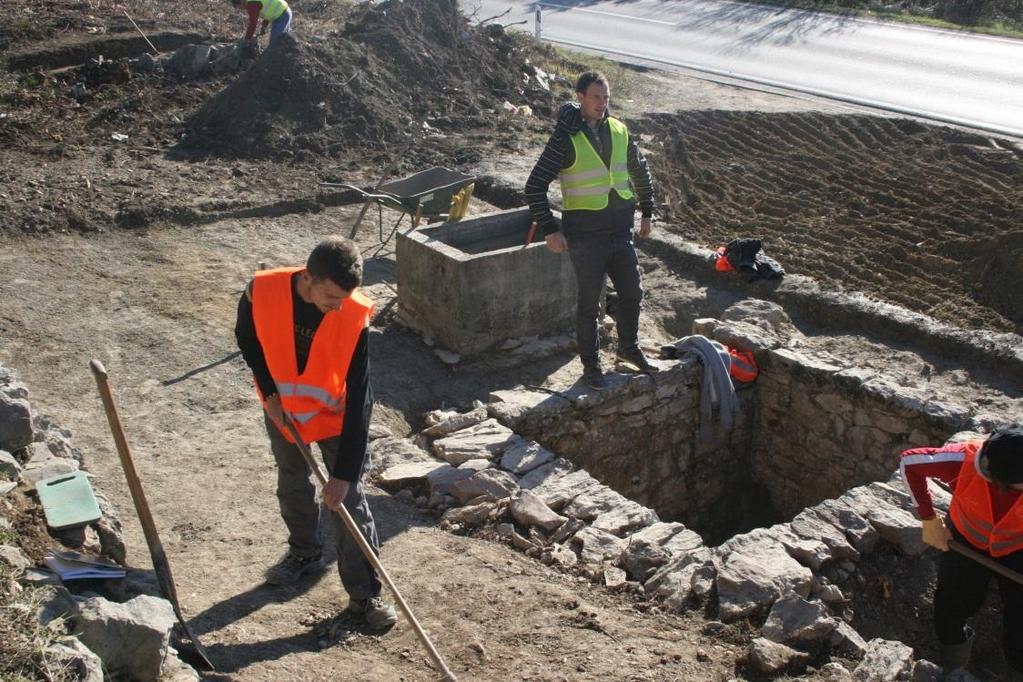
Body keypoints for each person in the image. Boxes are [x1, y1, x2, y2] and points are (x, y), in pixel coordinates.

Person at [234, 237, 396, 632]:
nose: (337, 306)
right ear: (306, 277)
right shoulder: (262, 291)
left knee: (348, 502)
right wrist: (270, 394)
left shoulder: (353, 315)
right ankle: (304, 553)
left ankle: (365, 595)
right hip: (284, 411)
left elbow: (361, 395)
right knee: (292, 480)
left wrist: (343, 475)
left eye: (344, 298)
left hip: (337, 417)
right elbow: (247, 337)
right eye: (330, 296)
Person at [524, 71, 657, 391]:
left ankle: (628, 346)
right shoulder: (565, 138)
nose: (602, 104)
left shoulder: (620, 130)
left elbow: (639, 170)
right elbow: (534, 186)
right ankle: (591, 365)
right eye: (595, 97)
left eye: (606, 98)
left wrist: (647, 212)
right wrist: (550, 230)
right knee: (588, 305)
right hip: (585, 235)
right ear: (580, 97)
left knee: (632, 292)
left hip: (620, 230)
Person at [899, 424, 1023, 674]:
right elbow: (910, 463)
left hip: (1018, 548)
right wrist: (928, 519)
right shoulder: (962, 460)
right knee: (952, 608)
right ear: (1002, 479)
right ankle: (953, 665)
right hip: (966, 544)